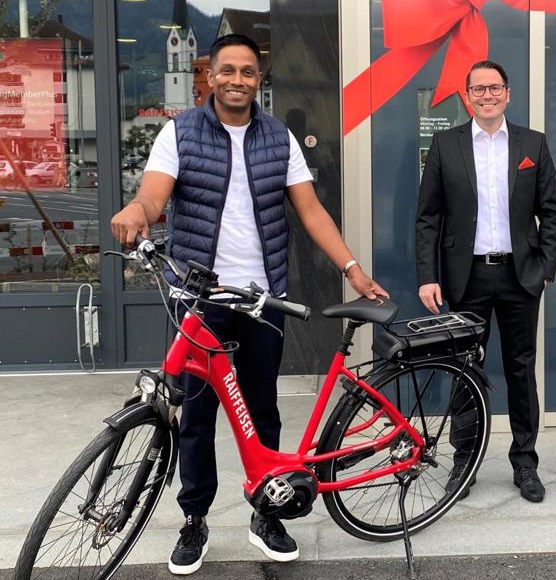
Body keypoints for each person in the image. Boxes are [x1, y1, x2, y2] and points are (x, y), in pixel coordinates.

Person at [110, 34, 388, 575]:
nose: (238, 79)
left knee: (262, 411)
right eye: (228, 70)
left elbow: (310, 212)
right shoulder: (180, 132)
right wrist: (137, 209)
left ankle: (269, 512)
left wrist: (353, 269)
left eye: (248, 71)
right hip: (200, 297)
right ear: (210, 76)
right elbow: (154, 194)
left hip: (263, 301)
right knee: (196, 415)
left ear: (260, 79)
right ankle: (195, 519)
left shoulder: (278, 137)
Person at [414, 60, 556, 503]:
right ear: (467, 96)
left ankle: (525, 463)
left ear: (508, 93)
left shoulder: (531, 143)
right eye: (477, 89)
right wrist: (427, 276)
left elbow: (552, 211)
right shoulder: (445, 144)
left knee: (520, 370)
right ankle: (465, 461)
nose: (486, 95)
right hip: (465, 276)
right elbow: (428, 217)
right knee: (463, 371)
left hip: (520, 276)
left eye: (494, 87)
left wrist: (545, 269)